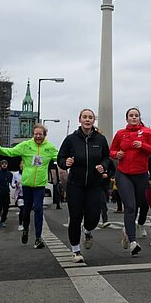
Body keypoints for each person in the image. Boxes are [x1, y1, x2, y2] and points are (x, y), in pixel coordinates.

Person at [57, 108, 112, 262]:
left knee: (94, 217)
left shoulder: (100, 139)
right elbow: (60, 157)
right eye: (85, 117)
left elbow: (107, 158)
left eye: (90, 117)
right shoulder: (71, 139)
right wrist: (65, 162)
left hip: (94, 184)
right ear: (79, 119)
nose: (87, 120)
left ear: (93, 121)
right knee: (75, 217)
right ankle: (76, 251)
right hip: (76, 184)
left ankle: (88, 231)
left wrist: (103, 166)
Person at [0, 123, 58, 248]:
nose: (38, 136)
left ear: (45, 135)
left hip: (39, 185)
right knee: (27, 210)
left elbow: (61, 157)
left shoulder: (49, 148)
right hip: (27, 185)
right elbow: (10, 152)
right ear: (33, 135)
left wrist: (72, 159)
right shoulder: (26, 145)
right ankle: (25, 230)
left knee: (38, 210)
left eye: (40, 134)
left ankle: (38, 238)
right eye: (36, 134)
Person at [111, 107, 151, 256]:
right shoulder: (121, 133)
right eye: (131, 115)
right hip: (123, 174)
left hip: (141, 175)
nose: (134, 118)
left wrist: (143, 146)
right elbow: (112, 150)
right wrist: (117, 154)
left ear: (140, 118)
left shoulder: (148, 132)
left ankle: (127, 230)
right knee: (130, 206)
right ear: (126, 118)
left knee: (141, 204)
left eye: (136, 115)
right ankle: (133, 242)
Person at [12, 163, 25, 231]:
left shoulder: (28, 173)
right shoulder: (15, 174)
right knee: (22, 209)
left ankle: (25, 224)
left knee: (26, 211)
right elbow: (12, 184)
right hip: (19, 195)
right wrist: (16, 184)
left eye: (24, 164)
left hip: (27, 195)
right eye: (21, 164)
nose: (22, 165)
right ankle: (20, 224)